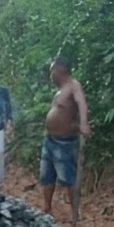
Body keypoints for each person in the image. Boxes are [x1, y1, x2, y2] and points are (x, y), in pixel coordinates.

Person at [40, 56, 91, 215]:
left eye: (51, 71)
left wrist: (83, 123)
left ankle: (75, 212)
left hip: (64, 141)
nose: (50, 75)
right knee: (47, 176)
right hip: (50, 139)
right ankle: (47, 208)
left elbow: (82, 104)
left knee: (68, 177)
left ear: (59, 70)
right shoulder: (60, 90)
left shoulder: (73, 86)